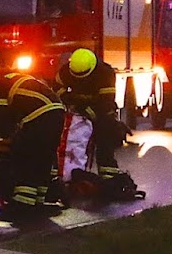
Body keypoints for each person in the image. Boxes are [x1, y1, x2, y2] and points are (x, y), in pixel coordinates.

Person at [55, 47, 142, 202]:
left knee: (105, 135)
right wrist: (73, 101)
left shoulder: (105, 73)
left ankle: (108, 177)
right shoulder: (66, 71)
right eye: (77, 76)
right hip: (77, 108)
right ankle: (67, 174)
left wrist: (90, 112)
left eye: (83, 76)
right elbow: (56, 89)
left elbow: (105, 103)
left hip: (100, 110)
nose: (80, 79)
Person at [0, 69, 67, 222]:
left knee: (24, 158)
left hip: (37, 116)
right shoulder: (12, 79)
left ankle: (22, 204)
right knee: (42, 159)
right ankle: (38, 201)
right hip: (57, 113)